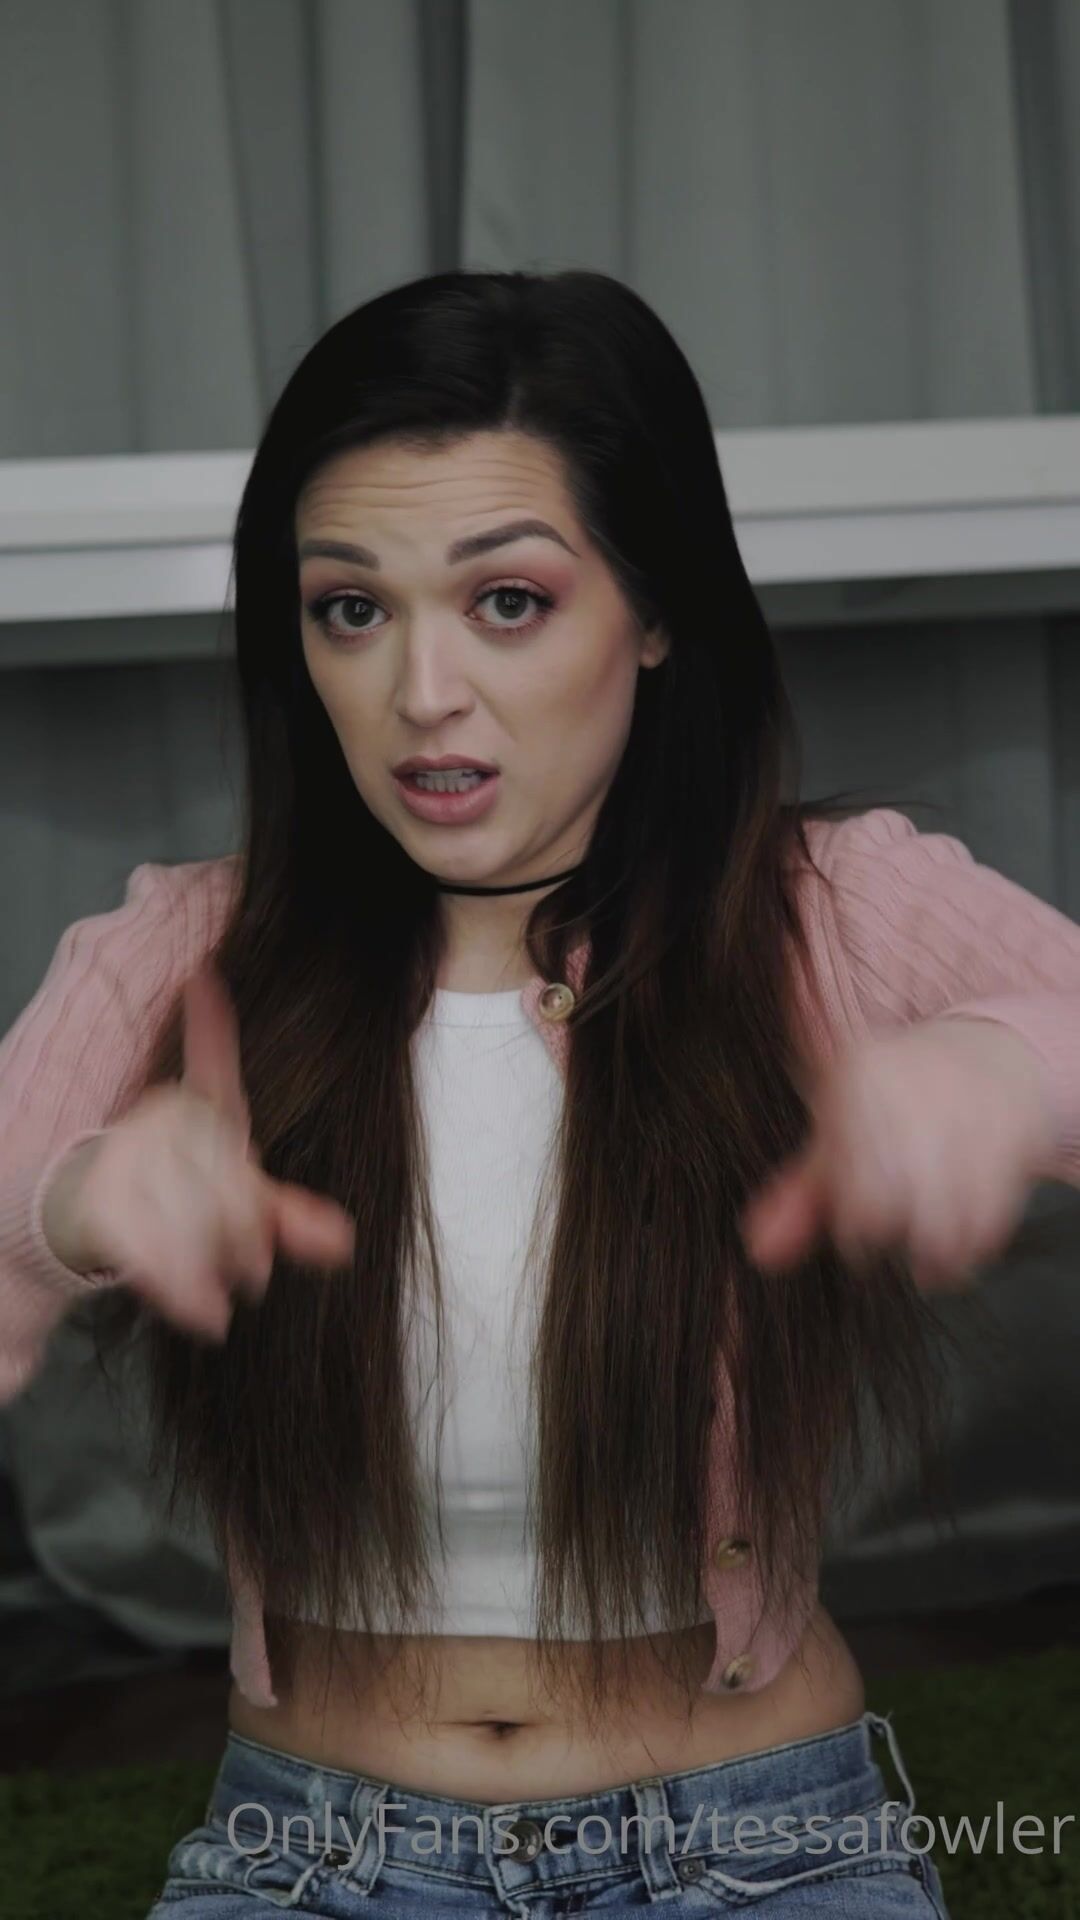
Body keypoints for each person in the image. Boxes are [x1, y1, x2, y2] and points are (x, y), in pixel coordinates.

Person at [4, 269, 1080, 1918]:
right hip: (312, 1854)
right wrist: (70, 1209)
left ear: (655, 613)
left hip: (761, 1843)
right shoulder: (175, 953)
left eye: (507, 600)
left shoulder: (830, 910)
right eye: (350, 610)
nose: (421, 691)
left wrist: (998, 1068)